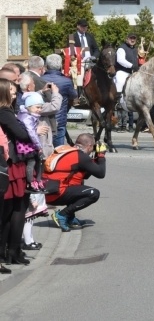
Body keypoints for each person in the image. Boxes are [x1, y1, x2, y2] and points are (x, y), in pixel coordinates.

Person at [1, 78, 45, 267]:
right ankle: (6, 252)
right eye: (11, 90)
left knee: (20, 207)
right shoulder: (4, 112)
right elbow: (21, 133)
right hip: (11, 163)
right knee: (11, 209)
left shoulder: (10, 111)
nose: (14, 94)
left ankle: (13, 250)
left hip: (18, 162)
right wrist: (35, 128)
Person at [45, 133, 106, 232]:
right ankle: (62, 215)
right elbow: (100, 174)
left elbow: (86, 173)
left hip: (49, 191)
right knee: (94, 193)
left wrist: (95, 158)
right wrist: (101, 155)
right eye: (93, 147)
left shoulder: (67, 150)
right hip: (56, 194)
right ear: (90, 146)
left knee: (78, 183)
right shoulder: (80, 156)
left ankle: (70, 218)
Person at [42, 54, 77, 146]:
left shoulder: (39, 79)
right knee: (58, 152)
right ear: (61, 65)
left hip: (42, 120)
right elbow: (74, 95)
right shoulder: (66, 81)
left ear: (46, 66)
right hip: (59, 120)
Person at [16, 92, 46, 191]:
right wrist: (39, 146)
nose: (39, 110)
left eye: (41, 107)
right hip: (26, 145)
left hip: (31, 143)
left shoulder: (29, 115)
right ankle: (31, 182)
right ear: (29, 106)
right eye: (37, 107)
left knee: (38, 161)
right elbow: (31, 132)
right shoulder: (27, 117)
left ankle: (38, 180)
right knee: (31, 162)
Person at [114, 33, 140, 132]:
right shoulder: (121, 48)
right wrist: (131, 66)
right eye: (131, 38)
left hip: (133, 72)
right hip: (122, 71)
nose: (132, 40)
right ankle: (118, 102)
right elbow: (120, 60)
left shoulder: (135, 49)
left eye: (134, 38)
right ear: (127, 39)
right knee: (120, 81)